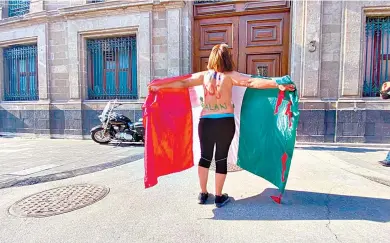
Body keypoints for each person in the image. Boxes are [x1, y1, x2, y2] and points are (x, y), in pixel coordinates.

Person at [148, 43, 295, 208]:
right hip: (225, 121)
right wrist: (277, 84)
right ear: (227, 58)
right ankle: (219, 196)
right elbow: (252, 82)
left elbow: (182, 83)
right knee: (221, 158)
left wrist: (159, 86)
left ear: (212, 58)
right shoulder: (231, 76)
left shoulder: (204, 76)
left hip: (206, 121)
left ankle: (203, 194)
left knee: (204, 157)